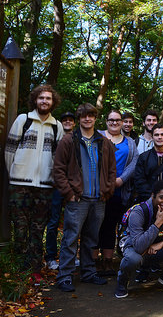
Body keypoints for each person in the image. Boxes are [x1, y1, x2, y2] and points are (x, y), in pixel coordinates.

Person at [52, 103, 117, 292]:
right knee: (70, 238)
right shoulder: (68, 141)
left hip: (99, 200)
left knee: (91, 239)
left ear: (96, 118)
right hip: (78, 199)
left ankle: (88, 273)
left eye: (90, 116)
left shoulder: (104, 142)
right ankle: (64, 276)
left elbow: (112, 170)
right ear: (78, 119)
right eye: (83, 116)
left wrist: (108, 190)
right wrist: (69, 194)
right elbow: (58, 170)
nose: (87, 119)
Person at [4, 84, 64, 281]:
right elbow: (10, 150)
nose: (44, 101)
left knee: (38, 229)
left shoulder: (57, 126)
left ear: (53, 102)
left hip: (45, 186)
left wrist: (54, 179)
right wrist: (14, 172)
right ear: (35, 100)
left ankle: (35, 270)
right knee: (20, 228)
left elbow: (59, 157)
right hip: (20, 184)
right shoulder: (24, 120)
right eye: (41, 98)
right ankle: (19, 270)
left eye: (48, 98)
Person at [114, 179, 163, 298]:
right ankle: (122, 282)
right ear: (153, 196)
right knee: (133, 259)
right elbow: (139, 246)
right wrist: (158, 223)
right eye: (162, 197)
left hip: (155, 248)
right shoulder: (138, 212)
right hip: (135, 249)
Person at [94, 109, 139, 276]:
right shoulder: (97, 136)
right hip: (97, 189)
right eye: (111, 120)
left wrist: (120, 180)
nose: (114, 123)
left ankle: (107, 261)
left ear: (122, 122)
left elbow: (134, 162)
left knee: (110, 224)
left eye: (117, 120)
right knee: (94, 224)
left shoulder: (129, 142)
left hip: (119, 190)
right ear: (106, 121)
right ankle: (93, 261)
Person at [45, 111, 75, 270]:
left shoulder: (78, 138)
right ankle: (50, 256)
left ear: (74, 123)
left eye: (71, 120)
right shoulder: (54, 135)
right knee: (53, 222)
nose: (68, 122)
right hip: (55, 185)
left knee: (72, 223)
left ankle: (68, 257)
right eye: (65, 120)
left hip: (73, 186)